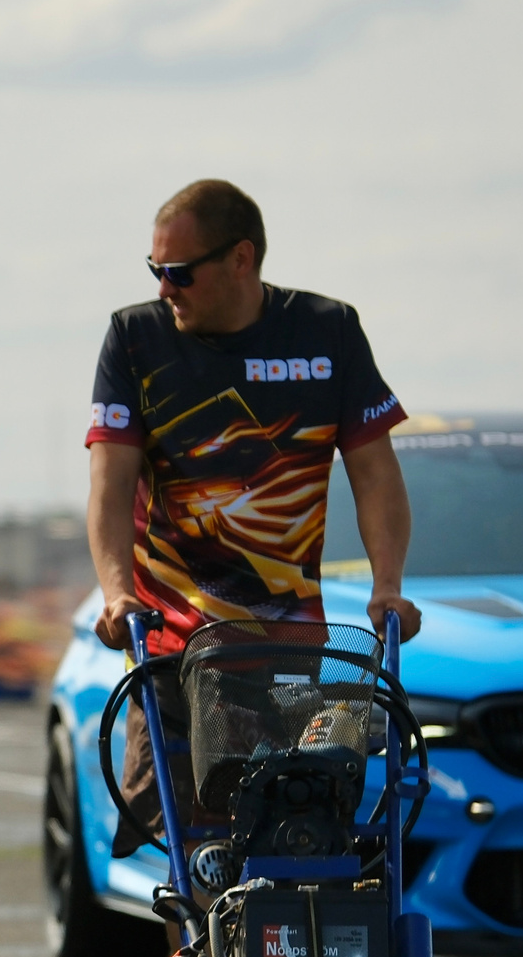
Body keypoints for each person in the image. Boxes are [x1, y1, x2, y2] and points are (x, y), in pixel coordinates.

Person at [86, 179, 418, 852]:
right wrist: (117, 590)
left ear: (241, 259)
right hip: (172, 647)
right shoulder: (135, 338)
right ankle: (194, 955)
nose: (164, 289)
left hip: (286, 648)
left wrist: (390, 584)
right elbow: (110, 483)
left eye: (179, 272)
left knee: (298, 834)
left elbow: (376, 472)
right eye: (155, 271)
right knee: (192, 857)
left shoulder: (328, 331)